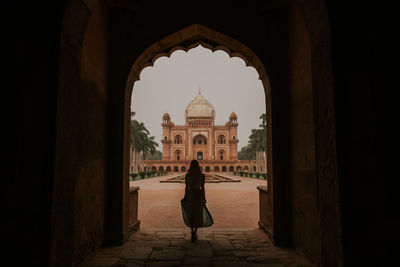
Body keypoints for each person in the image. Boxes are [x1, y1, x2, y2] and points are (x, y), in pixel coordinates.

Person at [181, 160, 212, 242]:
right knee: (198, 213)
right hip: (198, 195)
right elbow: (203, 187)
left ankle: (191, 231)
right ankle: (195, 231)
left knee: (191, 213)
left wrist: (185, 197)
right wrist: (204, 197)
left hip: (190, 195)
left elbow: (187, 187)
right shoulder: (201, 175)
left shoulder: (188, 175)